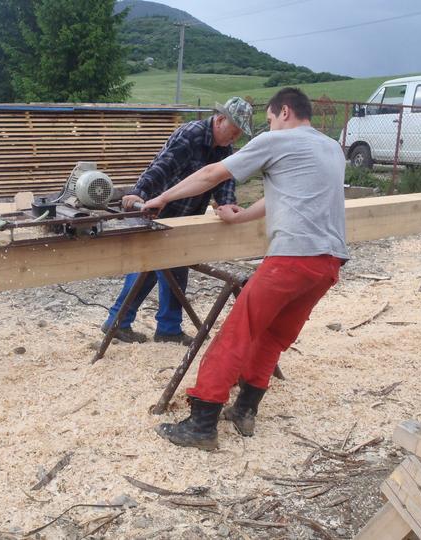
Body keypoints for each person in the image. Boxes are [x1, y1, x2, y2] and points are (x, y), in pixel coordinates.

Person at [146, 87, 349, 450]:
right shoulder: (331, 147)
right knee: (272, 337)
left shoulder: (277, 140)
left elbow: (212, 174)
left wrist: (161, 197)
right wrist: (240, 218)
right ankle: (245, 411)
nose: (268, 126)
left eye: (269, 119)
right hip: (328, 262)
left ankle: (201, 424)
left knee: (237, 333)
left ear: (284, 112)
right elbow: (283, 197)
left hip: (292, 257)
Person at [102, 97, 253, 345]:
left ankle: (146, 325)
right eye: (234, 131)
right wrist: (140, 192)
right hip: (159, 211)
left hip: (185, 214)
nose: (235, 137)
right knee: (153, 268)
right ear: (220, 119)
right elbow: (163, 166)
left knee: (167, 268)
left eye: (239, 134)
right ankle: (141, 325)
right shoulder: (192, 135)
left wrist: (227, 203)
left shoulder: (224, 147)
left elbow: (224, 179)